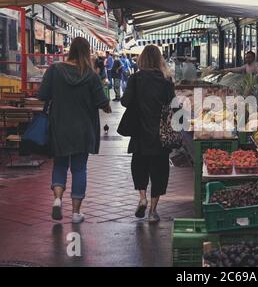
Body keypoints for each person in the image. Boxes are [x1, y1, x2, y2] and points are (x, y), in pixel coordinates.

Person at [38, 37, 112, 224]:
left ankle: (57, 199)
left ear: (70, 50)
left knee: (60, 165)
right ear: (87, 53)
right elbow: (102, 102)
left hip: (60, 125)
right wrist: (106, 106)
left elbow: (42, 95)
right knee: (79, 169)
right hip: (83, 129)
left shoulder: (54, 70)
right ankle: (76, 213)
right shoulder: (91, 75)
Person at [120, 45, 175, 223]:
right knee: (159, 172)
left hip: (139, 132)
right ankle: (153, 211)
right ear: (160, 60)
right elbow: (174, 106)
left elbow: (125, 101)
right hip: (161, 134)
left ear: (142, 59)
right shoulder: (166, 81)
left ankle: (142, 198)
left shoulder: (135, 79)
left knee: (140, 166)